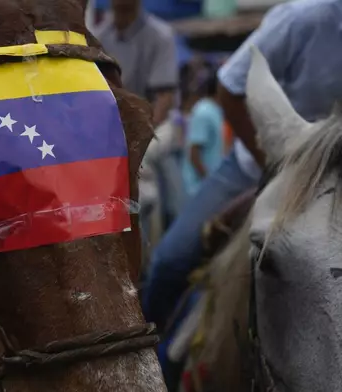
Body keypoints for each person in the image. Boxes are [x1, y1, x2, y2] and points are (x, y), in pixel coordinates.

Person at [142, 0, 342, 387]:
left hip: (332, 179)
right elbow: (231, 86)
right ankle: (149, 367)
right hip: (258, 161)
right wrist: (278, 166)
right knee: (170, 260)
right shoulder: (305, 18)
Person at [90, 0, 178, 128]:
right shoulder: (98, 37)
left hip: (147, 127)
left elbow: (164, 98)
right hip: (106, 126)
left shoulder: (161, 36)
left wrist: (141, 140)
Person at [181, 66, 223, 196]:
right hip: (199, 188)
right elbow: (194, 153)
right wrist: (209, 182)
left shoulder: (216, 110)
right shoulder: (203, 112)